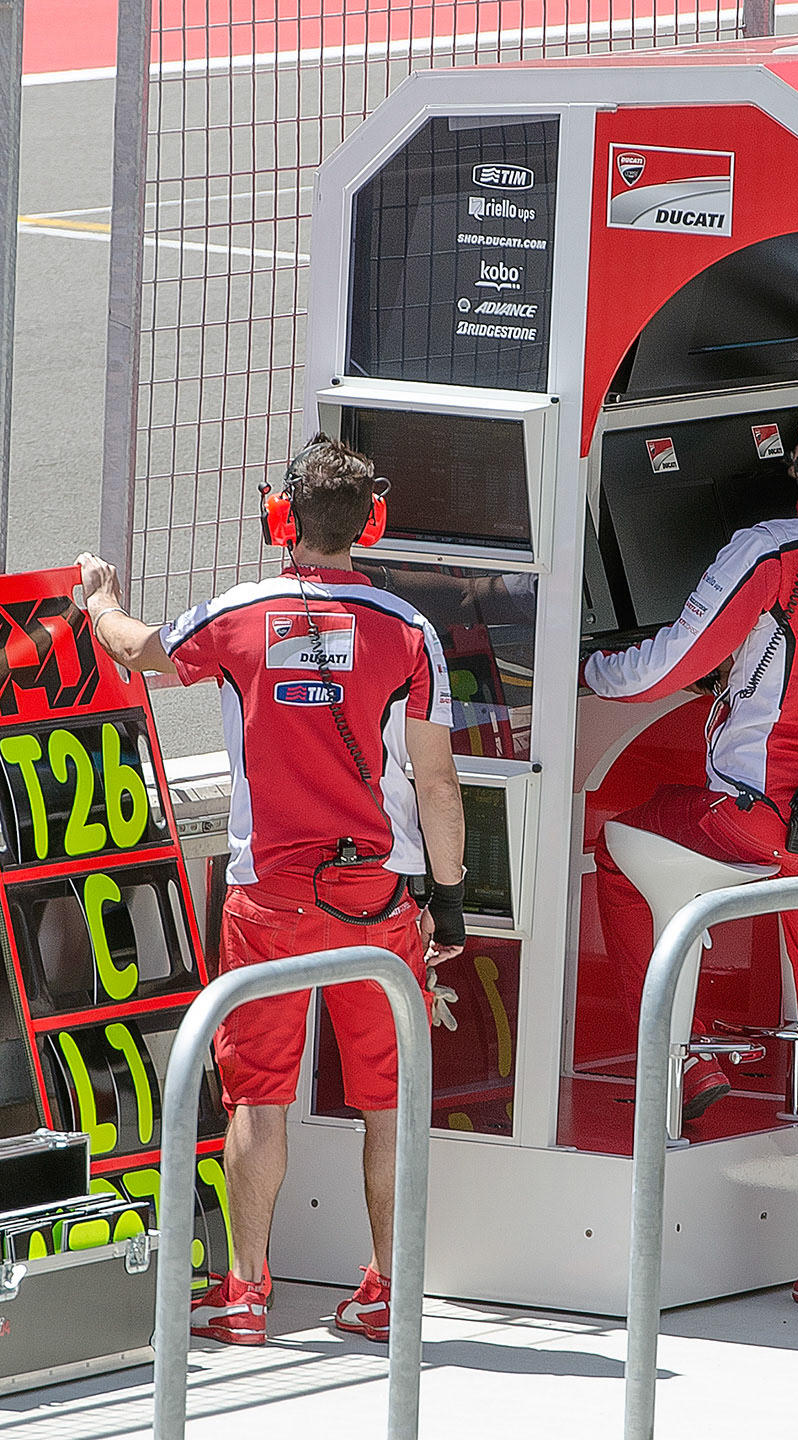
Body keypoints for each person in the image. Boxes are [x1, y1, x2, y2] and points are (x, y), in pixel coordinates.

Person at [75, 433, 469, 1346]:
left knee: (258, 1096)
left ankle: (245, 1294)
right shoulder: (410, 633)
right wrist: (447, 899)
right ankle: (389, 1292)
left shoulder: (235, 614)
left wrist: (101, 598)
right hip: (380, 904)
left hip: (270, 904)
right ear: (370, 522)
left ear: (279, 518)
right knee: (388, 1101)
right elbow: (439, 783)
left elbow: (136, 651)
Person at [583, 387, 798, 1315]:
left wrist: (583, 667)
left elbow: (665, 665)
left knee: (616, 855)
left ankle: (686, 1059)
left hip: (743, 824)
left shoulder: (774, 547)